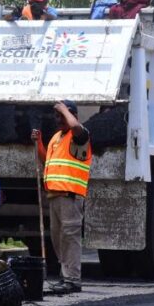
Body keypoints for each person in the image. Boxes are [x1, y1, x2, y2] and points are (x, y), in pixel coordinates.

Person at [31, 100, 92, 294]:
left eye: (62, 116)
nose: (59, 120)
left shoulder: (80, 136)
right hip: (54, 195)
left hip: (70, 196)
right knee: (58, 239)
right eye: (56, 116)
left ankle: (73, 280)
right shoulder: (57, 137)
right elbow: (46, 160)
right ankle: (66, 276)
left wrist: (64, 108)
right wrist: (39, 142)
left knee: (70, 238)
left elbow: (74, 125)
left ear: (72, 115)